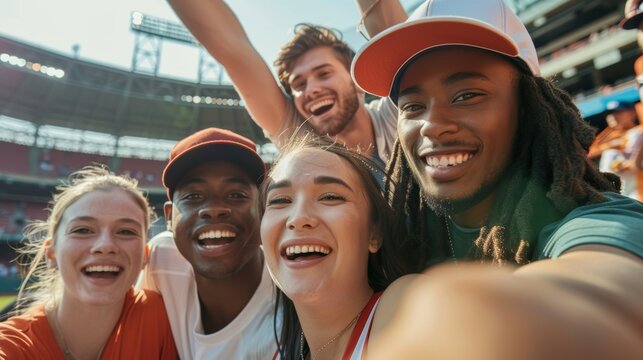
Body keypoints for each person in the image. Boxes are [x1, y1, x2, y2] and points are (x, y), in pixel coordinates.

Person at [350, 0, 643, 358]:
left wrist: (497, 320)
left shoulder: (593, 220)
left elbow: (606, 287)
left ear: (527, 107)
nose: (432, 123)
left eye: (467, 95)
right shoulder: (396, 230)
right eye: (412, 106)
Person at [166, 0, 406, 165]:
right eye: (298, 85)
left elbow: (396, 36)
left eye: (323, 73)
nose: (311, 89)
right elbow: (232, 51)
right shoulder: (301, 139)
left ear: (358, 82)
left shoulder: (400, 115)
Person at [260, 134, 421, 360]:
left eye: (331, 197)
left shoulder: (405, 307)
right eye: (280, 201)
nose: (298, 217)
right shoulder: (279, 353)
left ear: (375, 234)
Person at [0, 166, 177, 359]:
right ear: (51, 252)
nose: (105, 245)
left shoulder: (163, 317)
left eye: (126, 231)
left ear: (144, 255)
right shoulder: (12, 346)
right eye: (82, 230)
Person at [138, 128, 277, 359]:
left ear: (264, 209)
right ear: (170, 216)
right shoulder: (161, 259)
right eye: (193, 196)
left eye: (236, 195)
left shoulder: (296, 300)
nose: (214, 209)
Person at [588, 100, 643, 200]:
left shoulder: (639, 132)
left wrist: (621, 165)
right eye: (610, 114)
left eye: (618, 112)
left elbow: (635, 163)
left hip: (637, 192)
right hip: (622, 196)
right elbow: (588, 154)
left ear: (632, 113)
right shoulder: (608, 138)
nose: (613, 116)